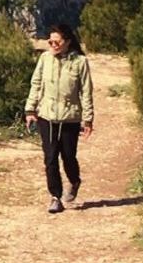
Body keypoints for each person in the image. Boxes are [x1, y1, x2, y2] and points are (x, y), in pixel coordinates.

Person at [25, 23, 94, 214]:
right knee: (50, 158)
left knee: (68, 157)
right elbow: (36, 84)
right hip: (46, 116)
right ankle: (55, 196)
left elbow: (86, 92)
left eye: (57, 41)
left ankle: (74, 180)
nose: (53, 45)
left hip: (70, 118)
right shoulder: (45, 59)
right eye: (50, 41)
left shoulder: (80, 62)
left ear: (67, 42)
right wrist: (30, 110)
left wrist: (88, 119)